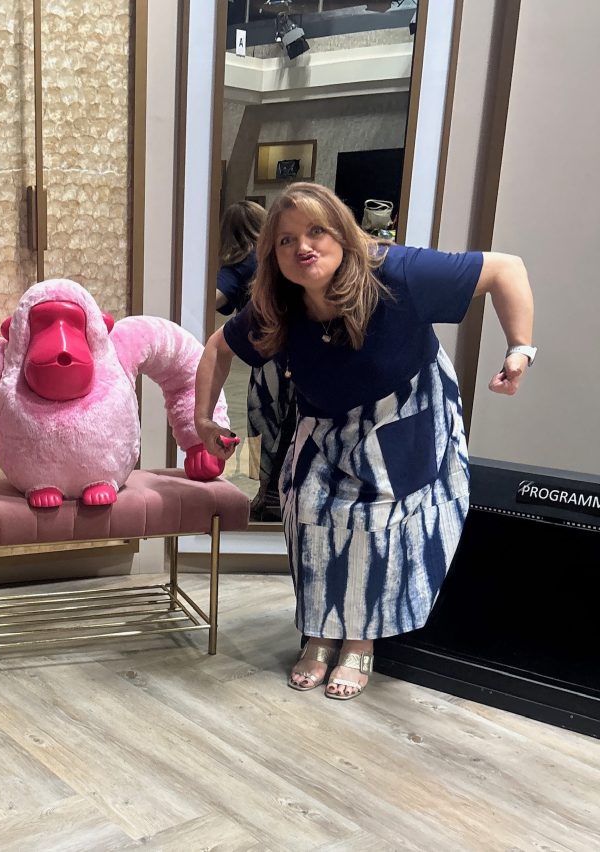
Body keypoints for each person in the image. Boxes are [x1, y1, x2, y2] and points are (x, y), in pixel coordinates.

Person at [194, 182, 534, 700]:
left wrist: (520, 349)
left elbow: (506, 269)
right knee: (306, 509)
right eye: (286, 240)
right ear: (272, 254)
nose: (303, 247)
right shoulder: (277, 303)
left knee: (377, 523)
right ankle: (320, 631)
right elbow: (219, 348)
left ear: (343, 233)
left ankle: (360, 639)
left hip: (404, 408)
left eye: (316, 231)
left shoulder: (397, 273)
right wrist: (203, 418)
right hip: (324, 418)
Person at [214, 199, 296, 522]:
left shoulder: (240, 263)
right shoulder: (280, 257)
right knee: (290, 426)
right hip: (300, 355)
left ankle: (267, 495)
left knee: (262, 423)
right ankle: (279, 496)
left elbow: (216, 296)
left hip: (269, 362)